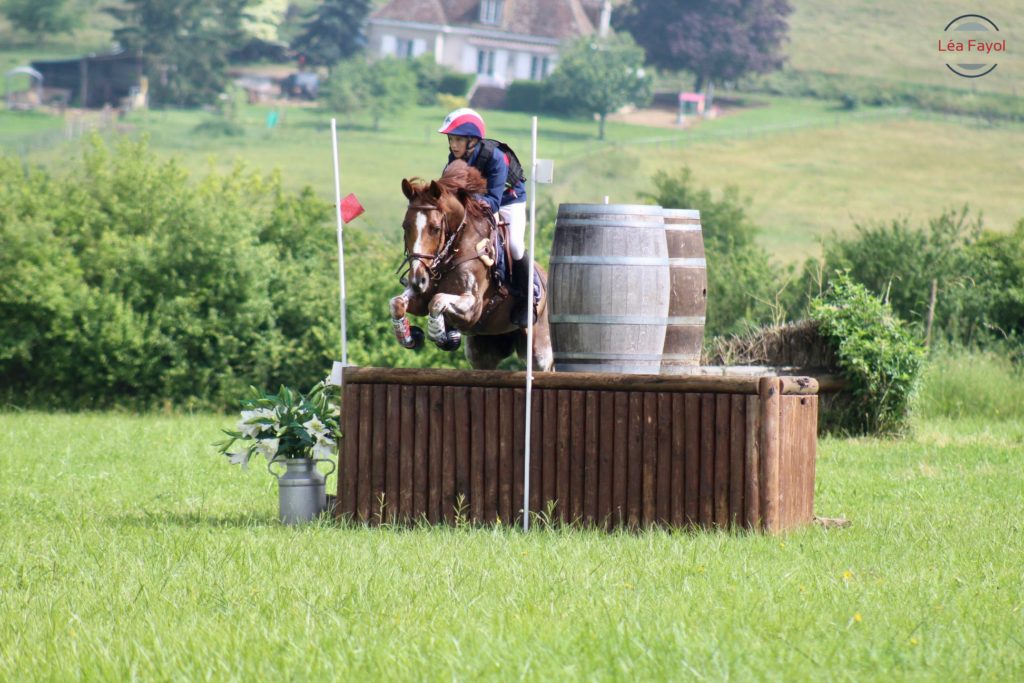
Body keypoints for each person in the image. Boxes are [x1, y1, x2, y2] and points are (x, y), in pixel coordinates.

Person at [438, 108, 538, 327]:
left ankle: (529, 295)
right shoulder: (454, 158)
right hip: (478, 202)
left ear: (473, 141)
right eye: (451, 139)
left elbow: (492, 200)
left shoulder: (495, 157)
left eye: (458, 140)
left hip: (508, 201)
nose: (453, 145)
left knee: (514, 245)